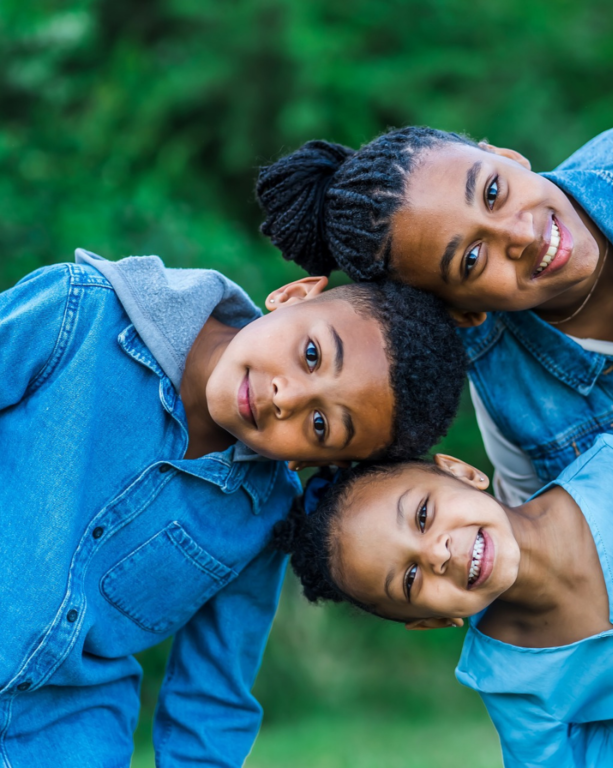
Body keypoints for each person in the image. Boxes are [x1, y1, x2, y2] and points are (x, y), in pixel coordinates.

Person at [0, 248, 465, 768]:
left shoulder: (263, 517)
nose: (287, 398)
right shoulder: (78, 315)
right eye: (311, 354)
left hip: (64, 739)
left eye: (319, 426)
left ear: (320, 460)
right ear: (292, 296)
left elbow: (211, 697)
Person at [257, 107, 613, 501]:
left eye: (494, 191)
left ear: (506, 154)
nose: (521, 233)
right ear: (464, 312)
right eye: (473, 259)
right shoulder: (511, 407)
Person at [276, 430, 613, 767]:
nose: (437, 554)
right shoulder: (505, 675)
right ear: (433, 620)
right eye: (409, 580)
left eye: (423, 515)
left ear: (463, 472)